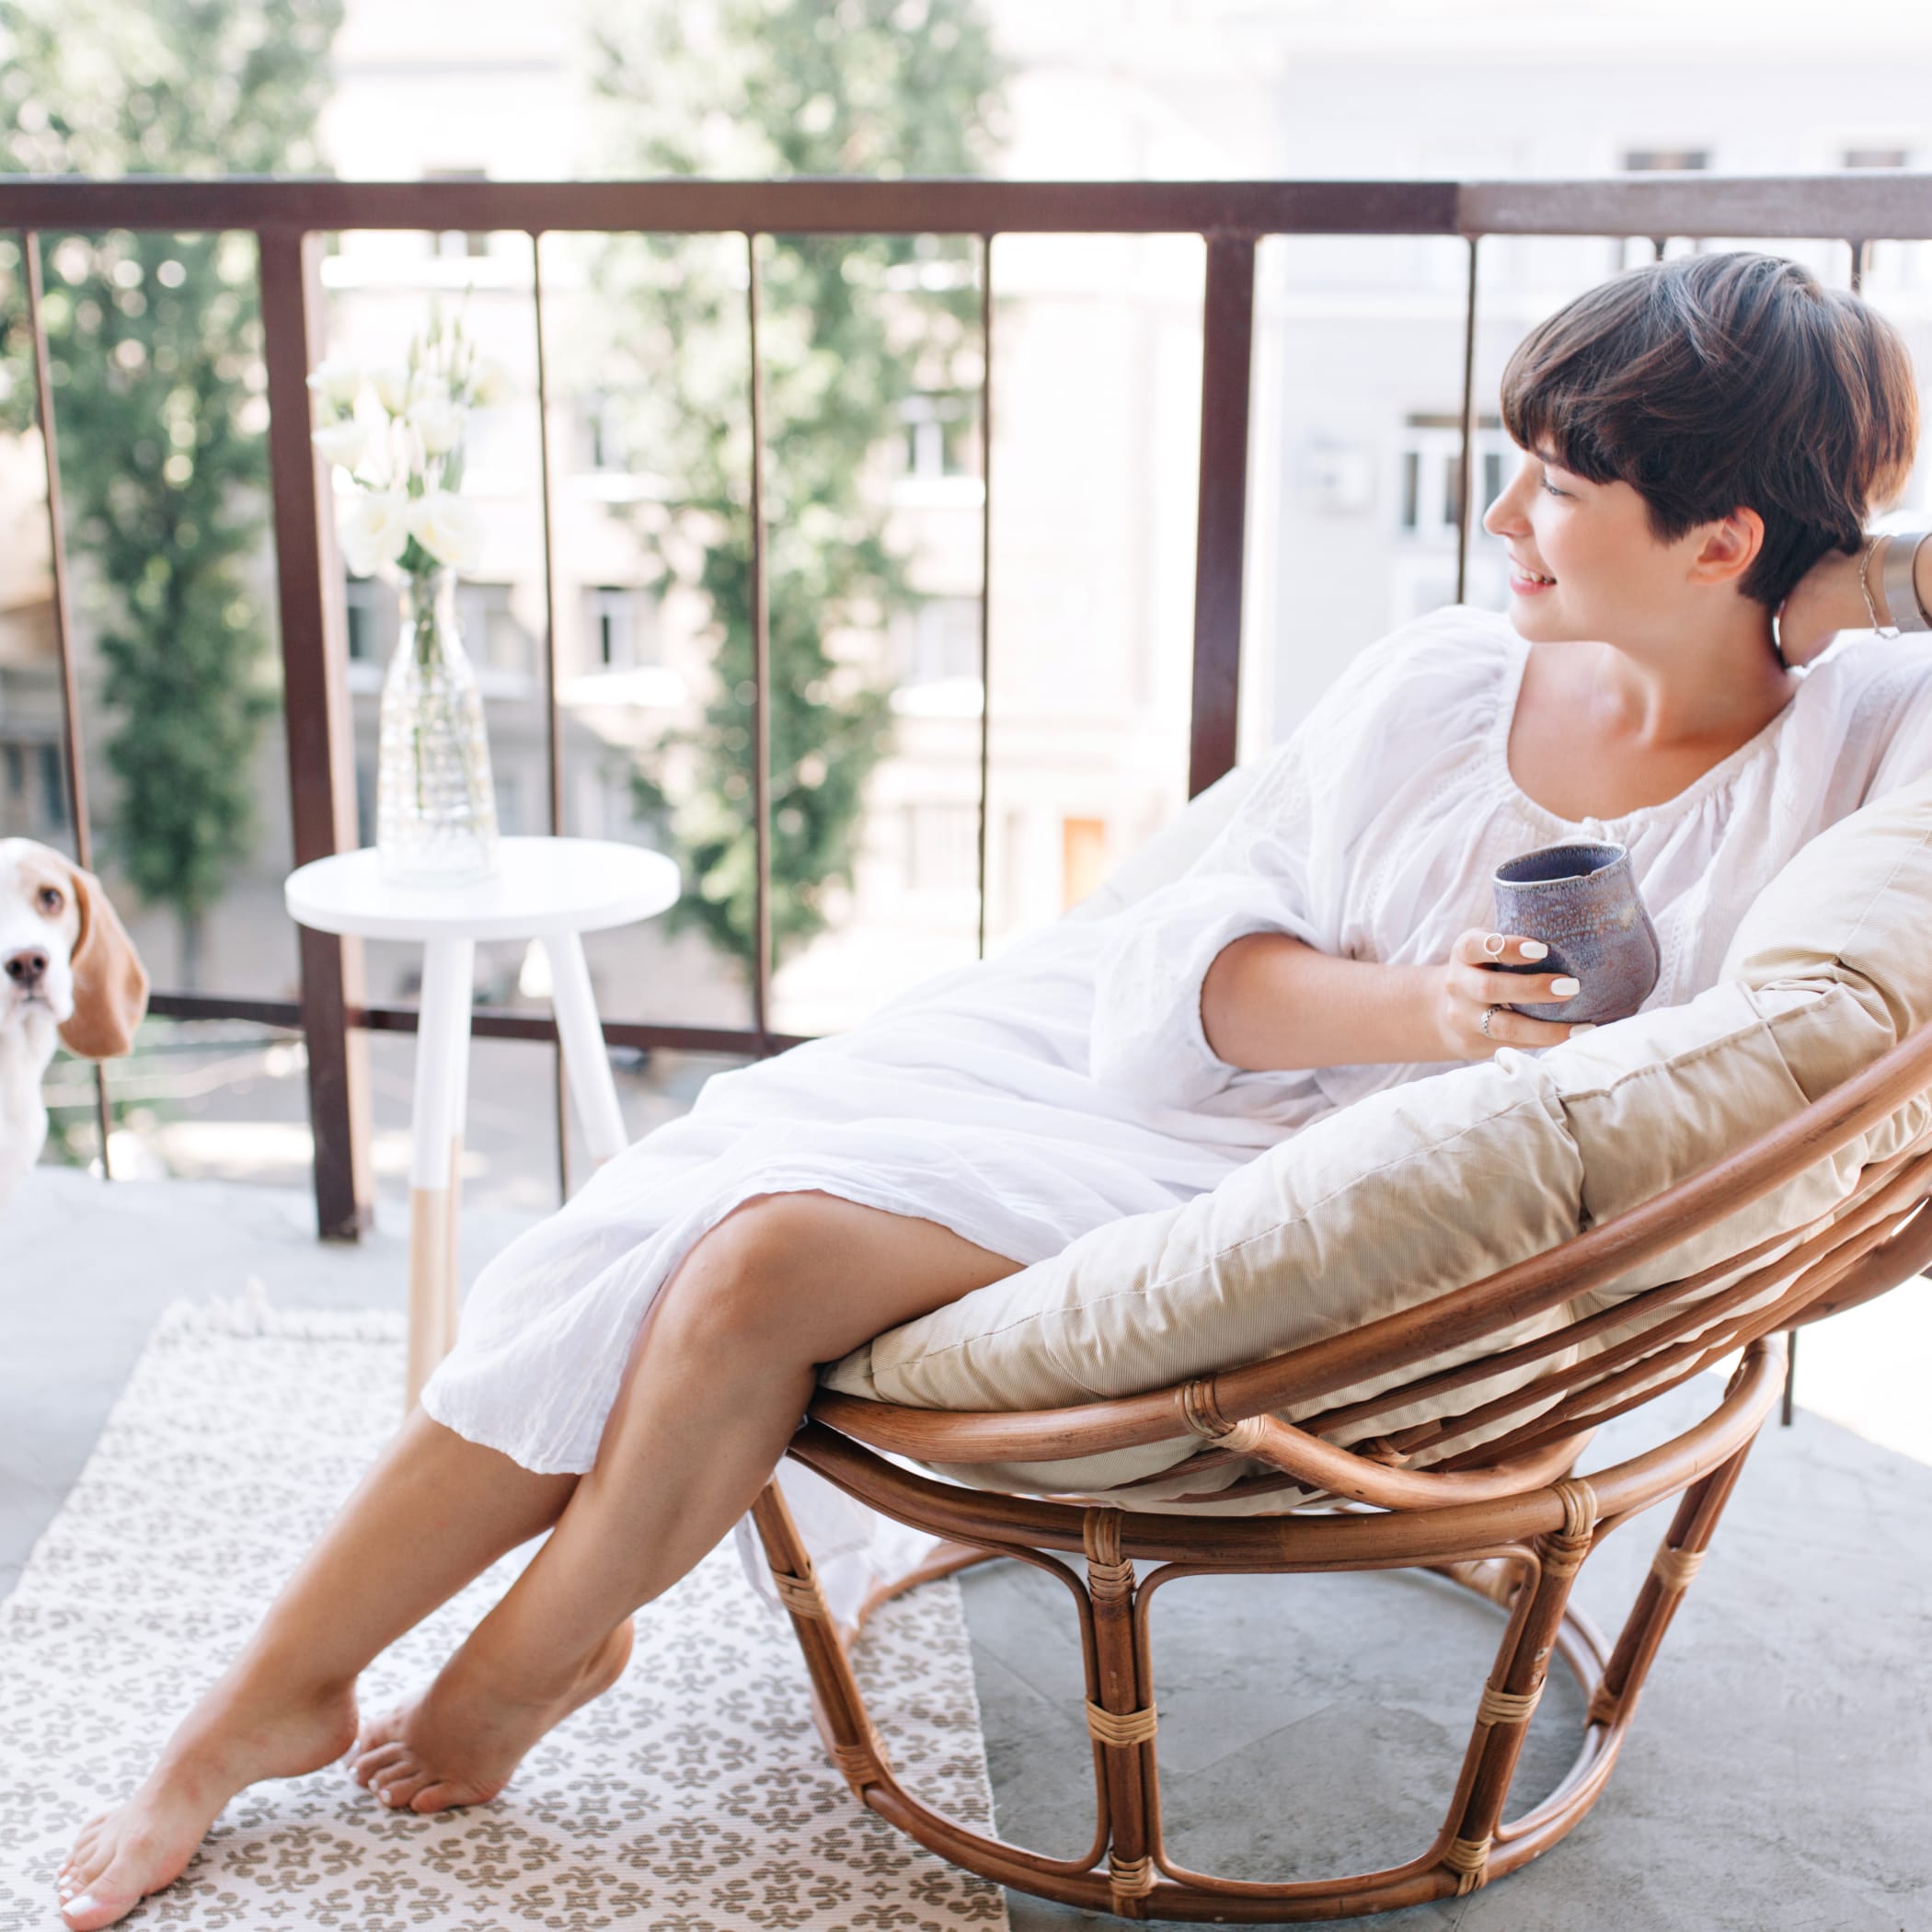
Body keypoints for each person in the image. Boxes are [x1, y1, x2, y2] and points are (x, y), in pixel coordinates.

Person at [52, 249, 1932, 1929]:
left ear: (1722, 543)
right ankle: (255, 1710)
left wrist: (1866, 559)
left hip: (1341, 1190)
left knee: (760, 1259)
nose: (1507, 515)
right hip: (1170, 1058)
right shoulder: (1442, 683)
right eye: (1516, 460)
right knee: (662, 1207)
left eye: (1559, 482)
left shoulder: (1845, 751)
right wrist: (1428, 1007)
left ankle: (538, 1647)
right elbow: (1206, 951)